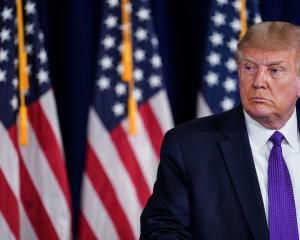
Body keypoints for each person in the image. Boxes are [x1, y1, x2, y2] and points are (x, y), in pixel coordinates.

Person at [140, 21, 300, 240]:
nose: (258, 82)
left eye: (275, 70)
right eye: (249, 68)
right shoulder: (189, 147)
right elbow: (162, 231)